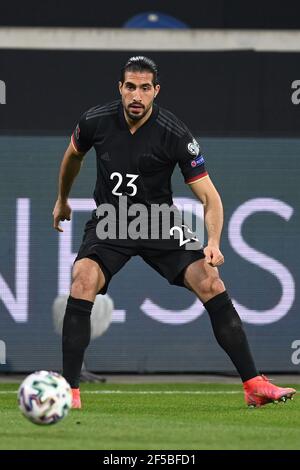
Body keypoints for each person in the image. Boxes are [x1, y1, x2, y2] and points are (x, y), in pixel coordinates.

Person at [52, 56, 296, 409]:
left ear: (156, 91)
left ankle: (255, 384)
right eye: (131, 87)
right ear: (120, 88)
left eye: (145, 88)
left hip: (159, 222)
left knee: (211, 281)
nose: (137, 95)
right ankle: (70, 392)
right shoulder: (95, 121)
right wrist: (62, 199)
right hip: (112, 220)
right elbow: (72, 157)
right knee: (82, 279)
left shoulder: (175, 133)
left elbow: (210, 198)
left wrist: (213, 242)